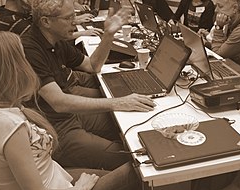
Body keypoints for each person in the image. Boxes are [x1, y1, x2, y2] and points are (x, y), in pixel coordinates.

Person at [0, 31, 139, 190]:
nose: (28, 64)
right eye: (22, 58)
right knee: (139, 169)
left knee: (129, 169)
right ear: (8, 69)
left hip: (57, 180)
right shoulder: (8, 126)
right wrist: (81, 189)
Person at [21, 0, 155, 171]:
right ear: (46, 22)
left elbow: (92, 66)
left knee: (127, 124)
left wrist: (108, 35)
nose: (76, 21)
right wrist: (119, 102)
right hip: (55, 128)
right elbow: (59, 103)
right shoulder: (29, 49)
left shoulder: (56, 39)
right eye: (69, 17)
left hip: (69, 116)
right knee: (130, 159)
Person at [0, 0, 103, 36]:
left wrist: (72, 20)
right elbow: (48, 36)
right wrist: (83, 33)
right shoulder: (16, 23)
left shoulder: (12, 14)